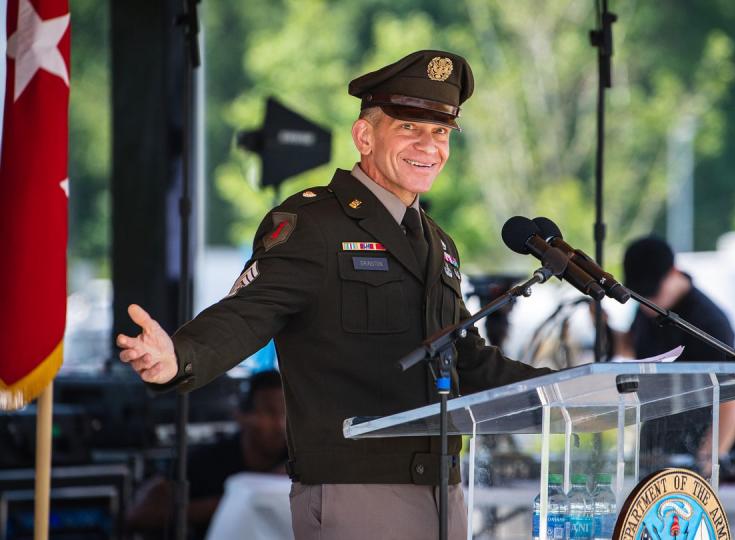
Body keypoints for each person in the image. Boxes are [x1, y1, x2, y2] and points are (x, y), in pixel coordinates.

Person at [116, 50, 550, 539]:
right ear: (364, 136)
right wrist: (178, 355)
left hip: (445, 491)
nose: (430, 145)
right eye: (410, 127)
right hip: (356, 492)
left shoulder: (438, 241)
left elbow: (465, 361)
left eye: (442, 131)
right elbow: (249, 311)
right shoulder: (315, 225)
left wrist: (570, 393)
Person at [617, 236, 735, 479]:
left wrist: (707, 463)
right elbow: (635, 348)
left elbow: (730, 400)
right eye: (640, 296)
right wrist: (601, 328)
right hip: (656, 446)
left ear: (674, 273)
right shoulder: (648, 307)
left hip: (700, 451)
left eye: (653, 293)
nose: (647, 304)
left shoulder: (709, 322)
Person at [125, 370, 287, 538]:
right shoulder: (209, 460)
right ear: (241, 416)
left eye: (287, 413)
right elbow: (138, 515)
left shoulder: (298, 458)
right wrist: (230, 504)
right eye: (270, 412)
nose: (281, 424)